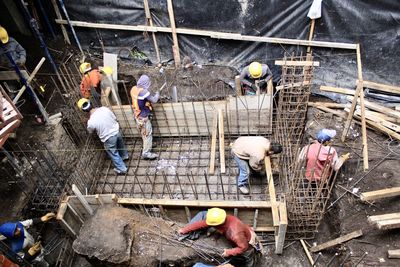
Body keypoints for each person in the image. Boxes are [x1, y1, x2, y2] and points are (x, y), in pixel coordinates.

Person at [179, 208, 258, 267]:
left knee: (247, 258)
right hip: (241, 234)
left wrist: (228, 252)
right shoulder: (222, 218)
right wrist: (185, 229)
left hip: (247, 243)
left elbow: (243, 248)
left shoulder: (235, 233)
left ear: (218, 224)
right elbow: (202, 224)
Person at [77, 98, 129, 174]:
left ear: (84, 110)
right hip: (117, 132)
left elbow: (90, 131)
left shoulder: (91, 122)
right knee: (120, 144)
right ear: (91, 103)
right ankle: (124, 156)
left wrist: (87, 122)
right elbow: (114, 118)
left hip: (108, 138)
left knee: (113, 152)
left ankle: (122, 169)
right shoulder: (104, 109)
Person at [130, 75, 159, 160]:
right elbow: (154, 100)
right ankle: (146, 153)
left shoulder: (134, 88)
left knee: (144, 134)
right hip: (143, 118)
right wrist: (157, 94)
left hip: (137, 114)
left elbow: (140, 100)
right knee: (147, 134)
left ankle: (148, 144)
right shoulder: (143, 92)